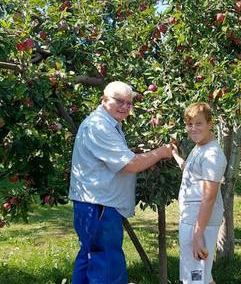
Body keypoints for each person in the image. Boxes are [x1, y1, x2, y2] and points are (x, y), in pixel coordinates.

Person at [68, 80, 173, 284]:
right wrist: (160, 152)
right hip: (99, 206)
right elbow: (130, 164)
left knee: (89, 258)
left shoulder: (108, 123)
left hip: (95, 203)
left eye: (129, 102)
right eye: (119, 101)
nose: (125, 106)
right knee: (106, 264)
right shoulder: (99, 126)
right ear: (104, 100)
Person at [171, 102, 227, 284]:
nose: (193, 129)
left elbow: (208, 198)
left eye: (198, 123)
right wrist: (175, 155)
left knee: (195, 279)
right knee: (203, 276)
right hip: (192, 219)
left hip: (199, 223)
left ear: (210, 124)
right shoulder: (200, 147)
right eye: (189, 124)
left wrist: (197, 235)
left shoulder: (212, 155)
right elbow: (191, 170)